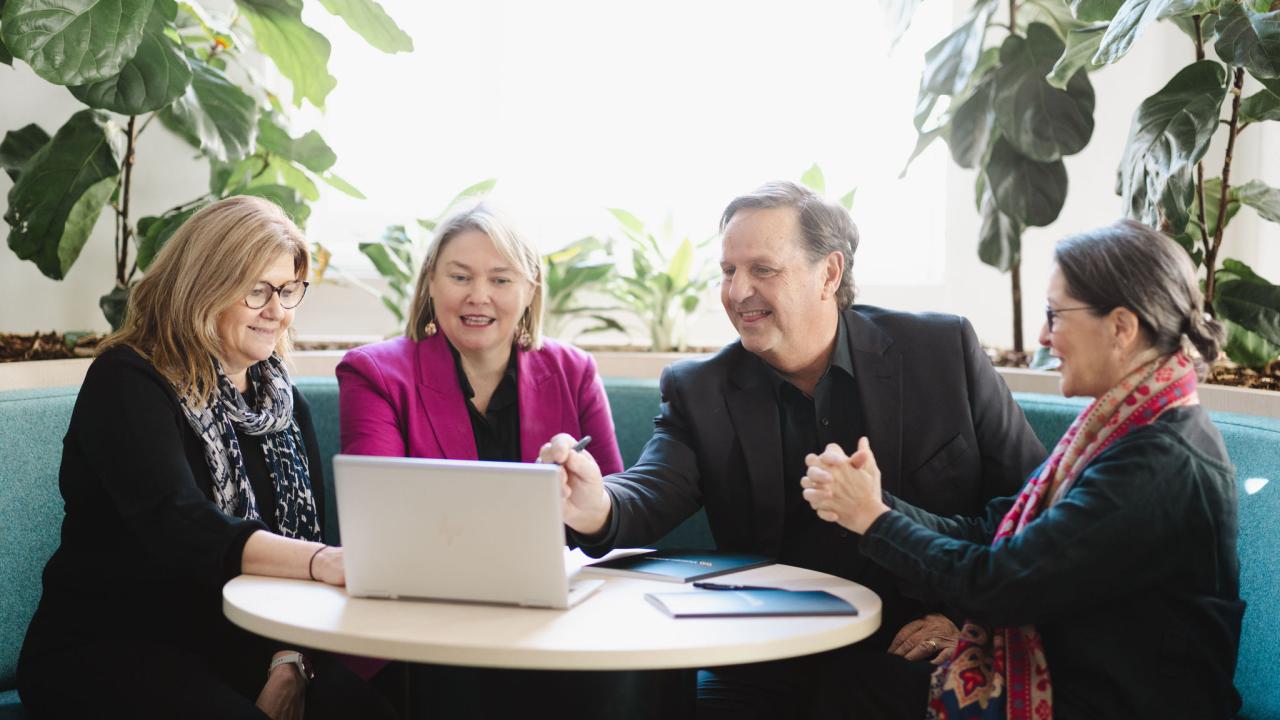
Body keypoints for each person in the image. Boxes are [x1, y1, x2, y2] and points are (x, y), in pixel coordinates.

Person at [541, 181, 1047, 717]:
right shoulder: (701, 387)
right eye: (728, 272)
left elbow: (1033, 506)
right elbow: (651, 488)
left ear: (829, 274)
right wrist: (596, 506)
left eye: (763, 269)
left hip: (913, 641)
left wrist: (969, 622)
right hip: (770, 655)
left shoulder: (940, 353)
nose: (737, 292)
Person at [801, 219, 1243, 719]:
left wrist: (874, 521)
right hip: (1086, 681)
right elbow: (992, 531)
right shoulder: (1124, 428)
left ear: (1121, 327)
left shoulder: (1159, 460)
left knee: (853, 686)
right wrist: (874, 504)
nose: (1043, 336)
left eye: (1055, 315)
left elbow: (999, 587)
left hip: (1122, 703)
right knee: (853, 677)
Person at [17, 196, 396, 720]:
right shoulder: (128, 381)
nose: (277, 311)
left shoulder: (285, 405)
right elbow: (180, 523)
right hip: (113, 644)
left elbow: (305, 543)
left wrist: (288, 664)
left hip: (247, 648)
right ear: (203, 286)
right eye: (256, 290)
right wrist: (319, 562)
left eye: (288, 290)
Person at [336, 202, 623, 472]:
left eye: (501, 280)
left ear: (530, 288)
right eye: (460, 277)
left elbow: (611, 508)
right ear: (431, 280)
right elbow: (376, 508)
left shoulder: (575, 371)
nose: (479, 297)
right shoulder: (374, 375)